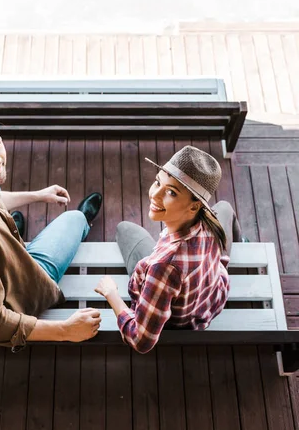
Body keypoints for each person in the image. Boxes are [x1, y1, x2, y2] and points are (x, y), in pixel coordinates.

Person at [0, 101, 102, 351]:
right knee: (72, 219)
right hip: (17, 293)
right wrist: (66, 330)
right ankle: (82, 221)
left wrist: (39, 195)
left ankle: (10, 230)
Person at [95, 145, 244, 354]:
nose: (155, 195)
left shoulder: (162, 268)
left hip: (175, 319)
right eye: (158, 182)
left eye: (171, 192)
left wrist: (112, 295)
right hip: (212, 298)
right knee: (226, 207)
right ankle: (242, 242)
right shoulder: (211, 220)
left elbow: (140, 340)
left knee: (124, 229)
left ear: (194, 207)